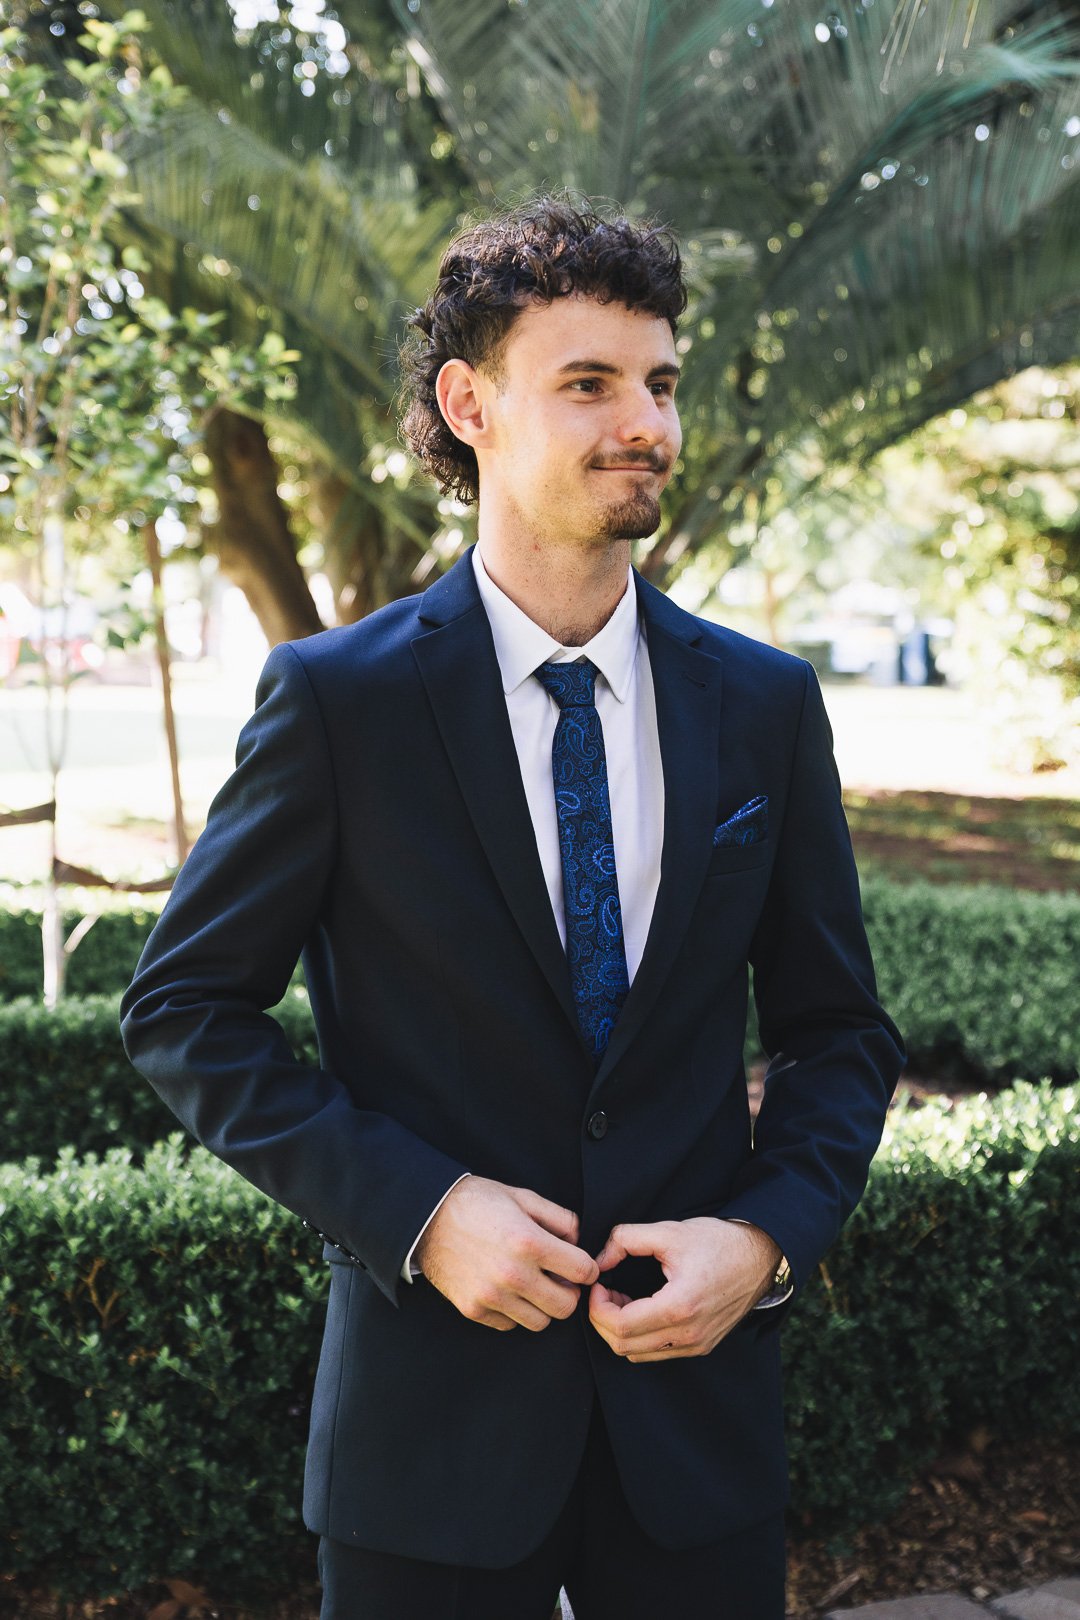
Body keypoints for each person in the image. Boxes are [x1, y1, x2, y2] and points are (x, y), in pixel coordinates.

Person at [120, 196, 905, 1620]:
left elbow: (838, 1031)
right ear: (468, 404)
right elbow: (181, 1010)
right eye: (590, 383)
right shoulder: (338, 704)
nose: (645, 422)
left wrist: (765, 1239)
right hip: (427, 1443)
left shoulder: (766, 705)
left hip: (696, 1433)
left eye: (659, 381)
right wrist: (420, 1212)